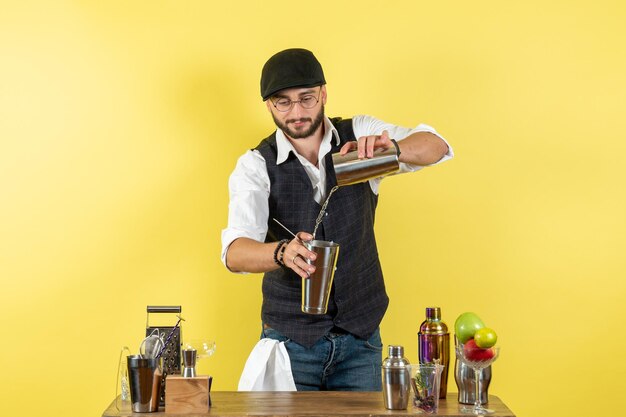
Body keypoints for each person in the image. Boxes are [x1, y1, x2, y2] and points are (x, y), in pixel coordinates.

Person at [221, 48, 453, 391]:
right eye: (282, 102)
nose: (297, 112)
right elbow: (235, 252)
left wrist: (389, 150)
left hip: (361, 342)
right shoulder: (255, 165)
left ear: (324, 94)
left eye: (307, 98)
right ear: (269, 105)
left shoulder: (359, 133)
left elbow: (435, 147)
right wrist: (281, 252)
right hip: (291, 344)